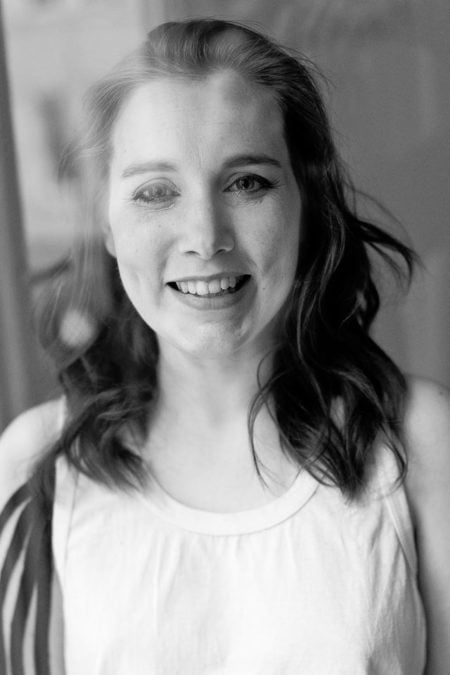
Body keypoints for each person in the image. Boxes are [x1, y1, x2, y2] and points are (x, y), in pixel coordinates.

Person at [0, 18, 448, 675]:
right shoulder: (32, 465)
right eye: (156, 192)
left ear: (305, 204)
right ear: (107, 225)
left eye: (246, 182)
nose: (205, 236)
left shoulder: (422, 441)